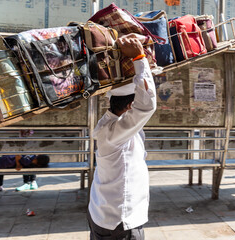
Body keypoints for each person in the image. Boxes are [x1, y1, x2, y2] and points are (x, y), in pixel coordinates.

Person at [87, 35, 157, 240]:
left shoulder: (110, 125)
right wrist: (139, 58)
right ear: (129, 106)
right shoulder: (114, 133)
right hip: (120, 221)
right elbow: (147, 106)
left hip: (103, 215)